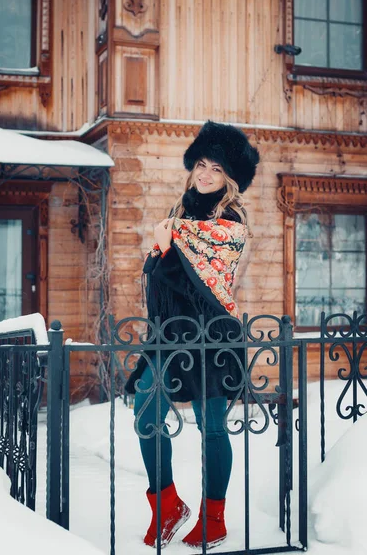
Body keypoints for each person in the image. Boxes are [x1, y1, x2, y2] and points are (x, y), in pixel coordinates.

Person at [125, 120, 259, 549]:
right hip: (172, 335)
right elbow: (161, 273)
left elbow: (198, 276)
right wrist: (169, 239)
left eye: (216, 169)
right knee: (146, 415)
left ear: (229, 179)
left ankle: (214, 518)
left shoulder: (232, 221)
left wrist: (167, 240)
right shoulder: (179, 216)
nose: (205, 174)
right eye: (201, 164)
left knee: (212, 428)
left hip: (214, 338)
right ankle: (167, 505)